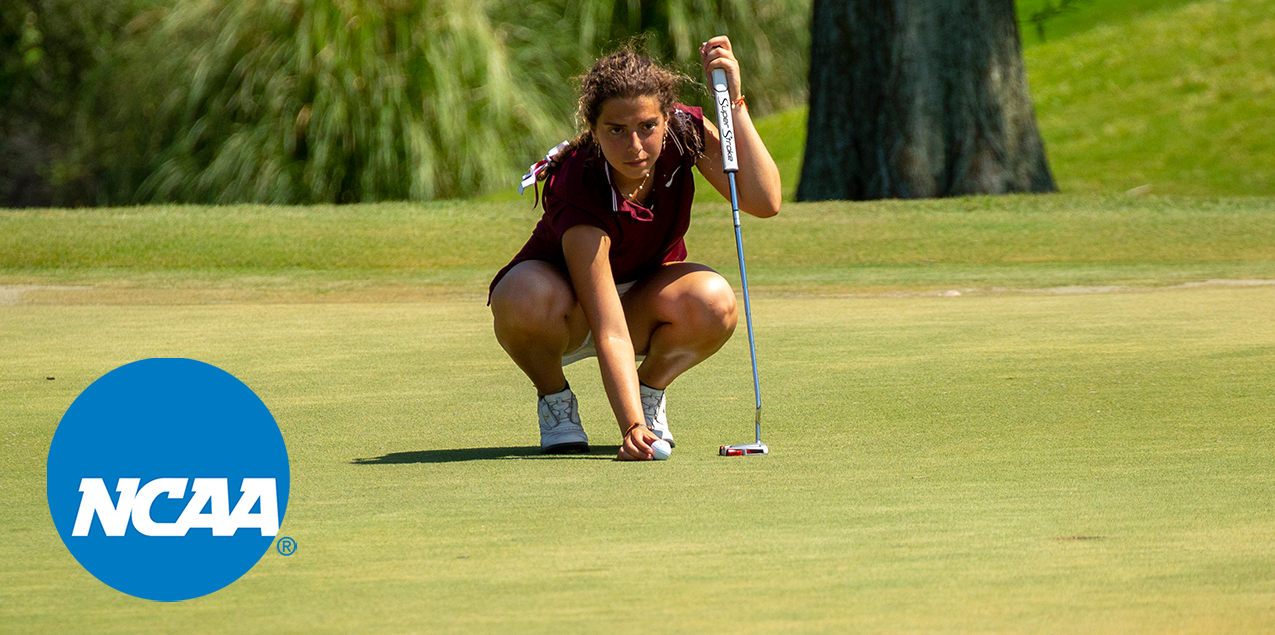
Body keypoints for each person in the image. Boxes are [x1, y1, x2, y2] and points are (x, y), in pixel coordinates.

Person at [488, 36, 781, 461]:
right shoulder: (579, 183)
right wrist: (632, 428)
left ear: (667, 118)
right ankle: (556, 401)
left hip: (642, 301)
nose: (635, 146)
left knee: (714, 301)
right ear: (594, 130)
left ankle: (648, 391)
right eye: (617, 131)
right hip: (565, 308)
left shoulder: (686, 133)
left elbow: (764, 200)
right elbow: (607, 328)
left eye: (647, 127)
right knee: (521, 297)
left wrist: (733, 101)